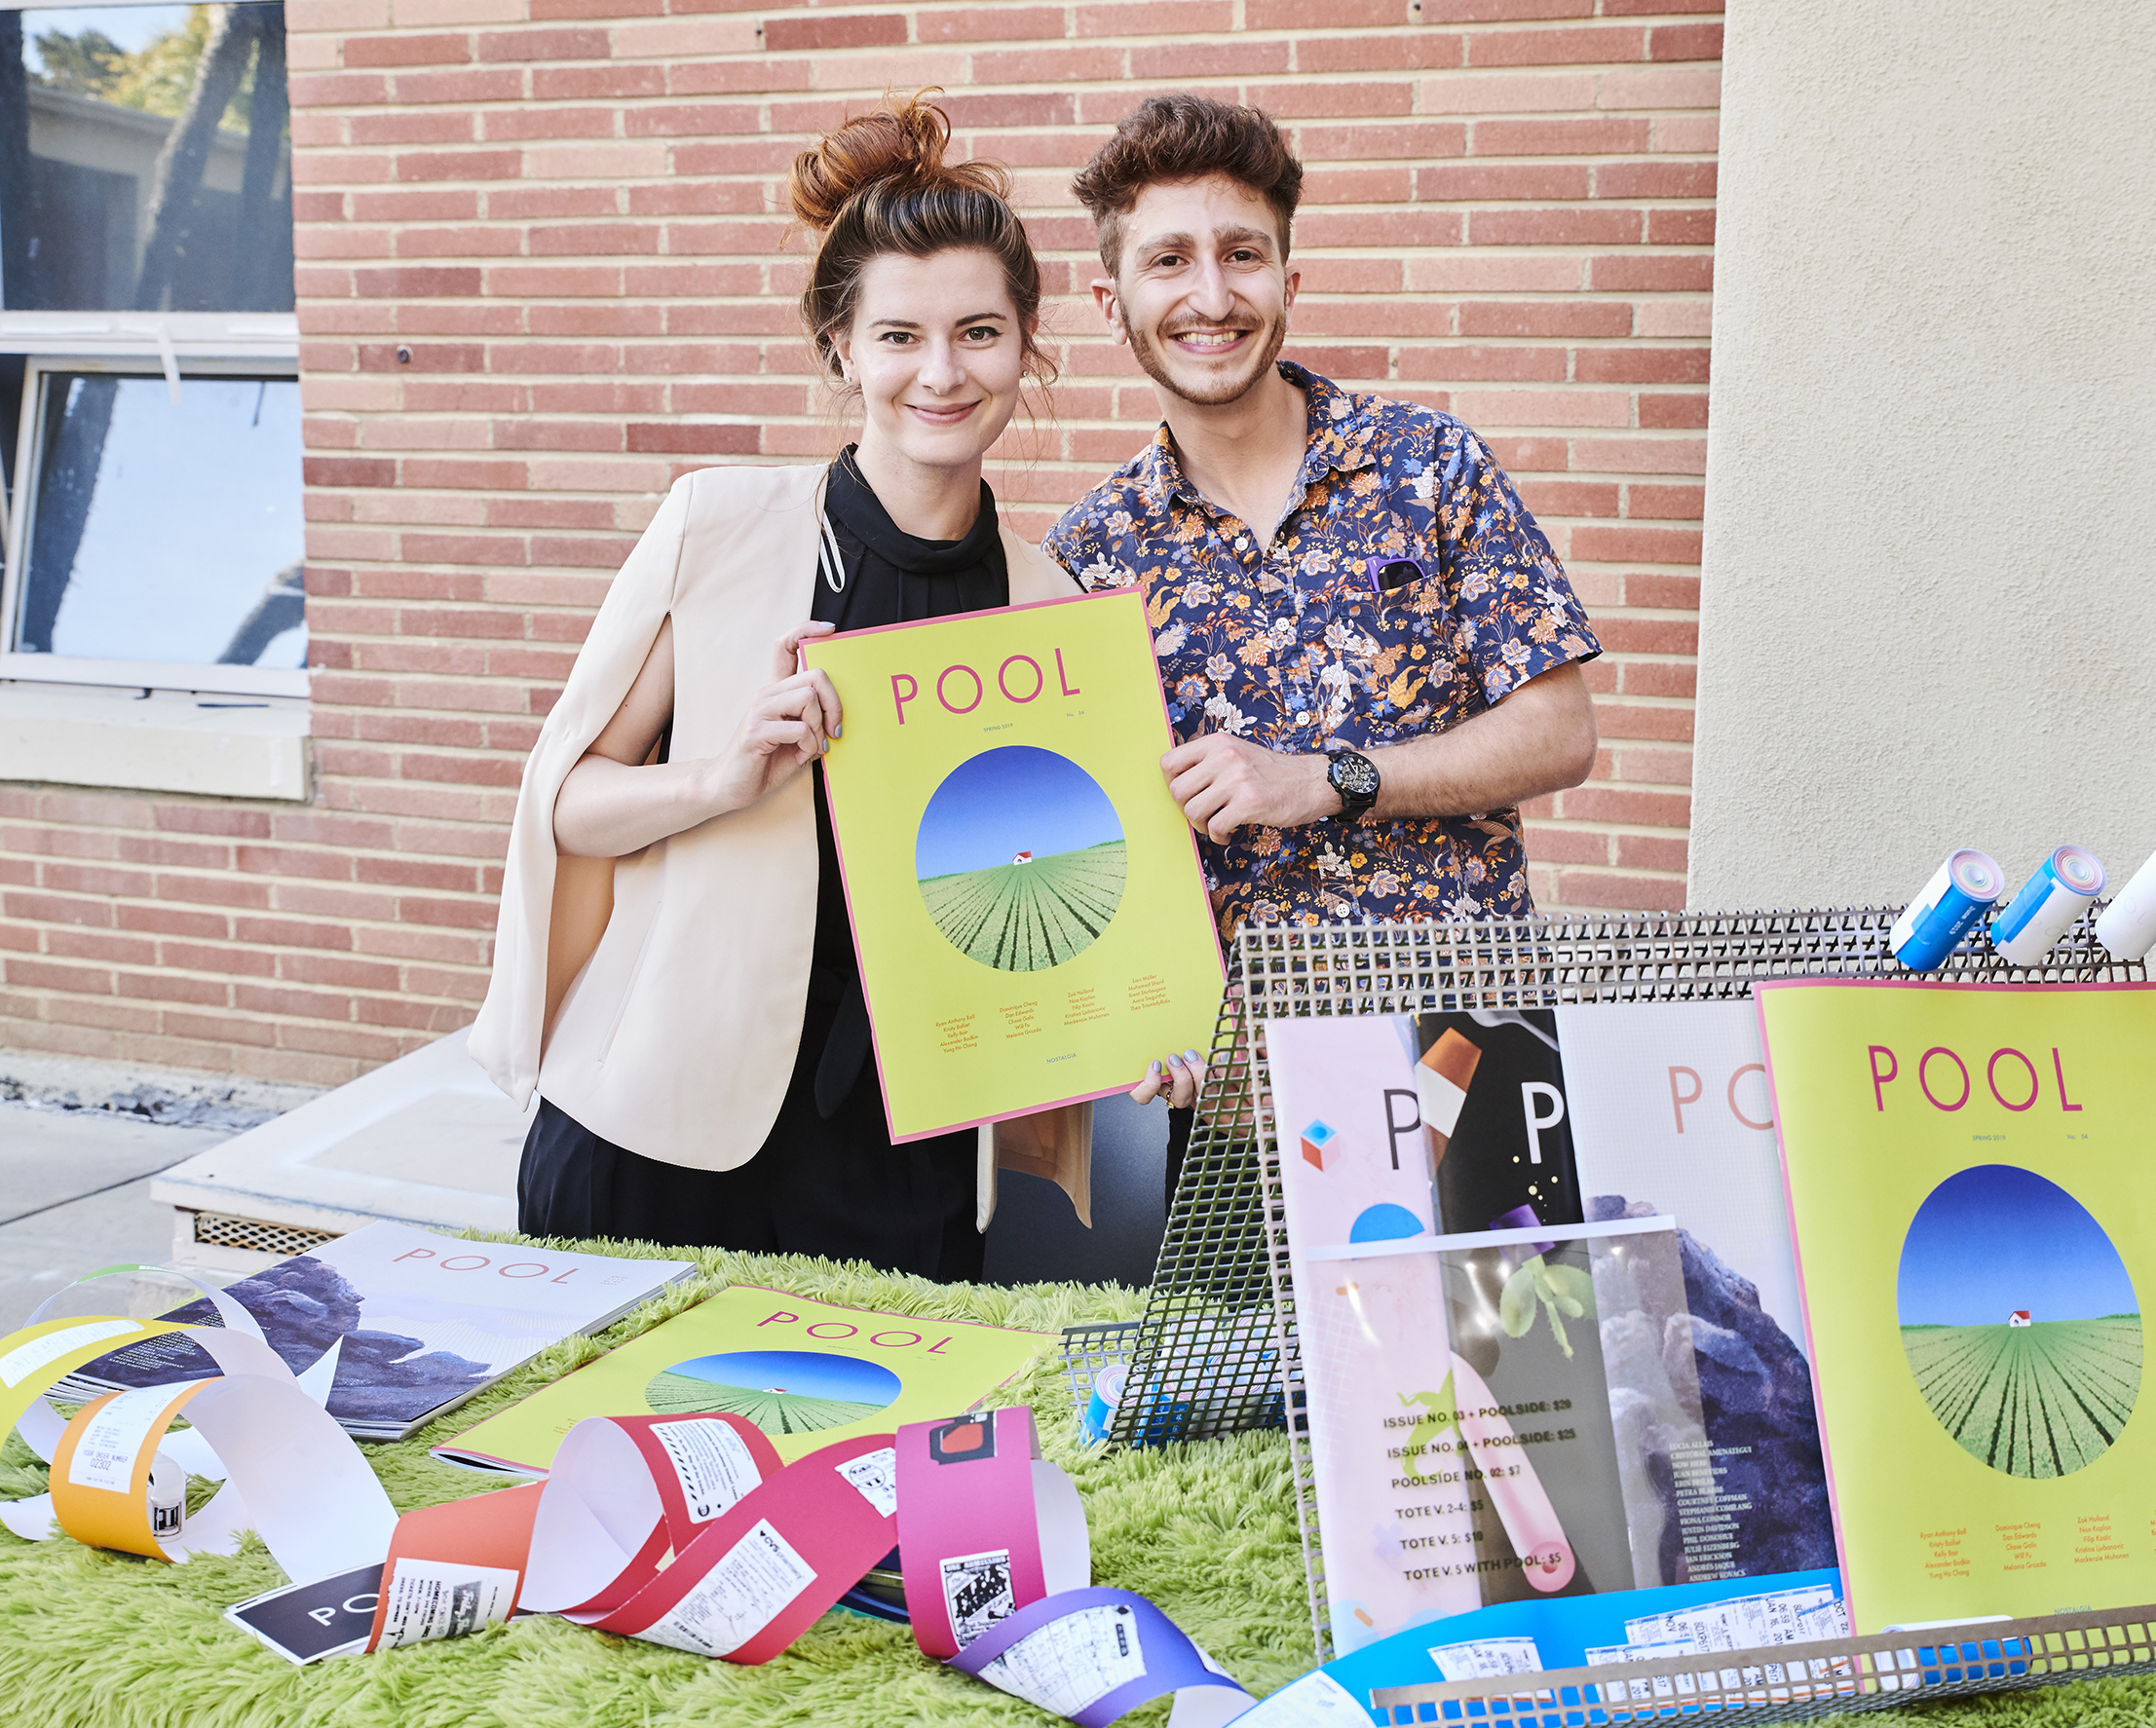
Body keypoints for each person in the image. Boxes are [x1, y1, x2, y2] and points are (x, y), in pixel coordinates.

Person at [471, 92, 1194, 1273]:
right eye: (899, 336)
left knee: (869, 1456)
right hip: (662, 1121)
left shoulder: (1053, 611)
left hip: (898, 1152)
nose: (940, 374)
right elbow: (567, 803)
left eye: (977, 332)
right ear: (840, 350)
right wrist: (718, 777)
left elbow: (1058, 893)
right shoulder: (720, 526)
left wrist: (1132, 1027)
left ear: (1026, 346)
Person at [1049, 94, 1602, 1178]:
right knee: (1242, 1353)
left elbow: (1559, 732)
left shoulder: (1429, 465)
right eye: (1168, 261)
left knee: (1507, 1351)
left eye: (1241, 254)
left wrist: (1328, 778)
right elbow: (1098, 838)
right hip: (1241, 1102)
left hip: (1467, 1053)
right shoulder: (1086, 556)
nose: (1211, 296)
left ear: (1288, 280)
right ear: (1110, 301)